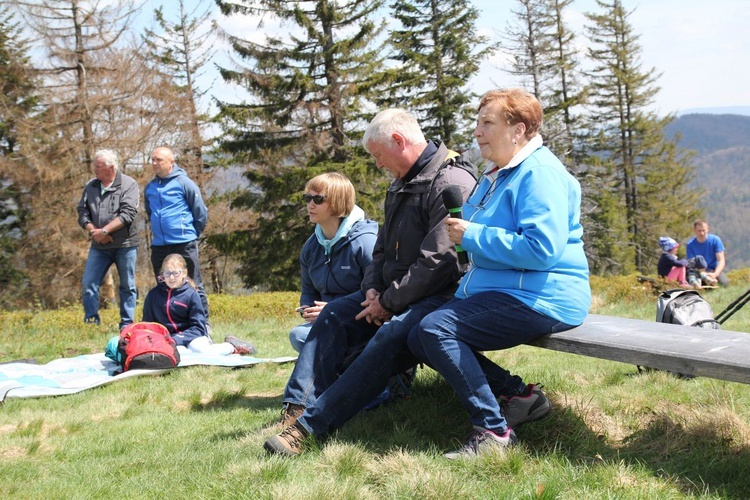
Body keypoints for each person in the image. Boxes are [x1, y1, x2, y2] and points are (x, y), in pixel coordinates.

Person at [263, 108, 477, 456]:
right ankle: (298, 406)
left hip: (439, 297)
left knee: (388, 338)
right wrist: (373, 289)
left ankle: (308, 429)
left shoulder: (450, 181)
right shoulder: (401, 182)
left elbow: (440, 260)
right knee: (333, 316)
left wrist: (388, 303)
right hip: (393, 295)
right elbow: (381, 250)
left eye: (378, 155)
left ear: (398, 141)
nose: (377, 164)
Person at [409, 88, 591, 458]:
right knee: (418, 336)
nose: (477, 132)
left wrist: (473, 235)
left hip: (544, 296)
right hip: (506, 290)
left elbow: (542, 250)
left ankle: (494, 434)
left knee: (435, 329)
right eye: (477, 122)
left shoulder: (539, 175)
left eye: (487, 123)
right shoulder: (499, 174)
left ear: (518, 129)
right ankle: (519, 396)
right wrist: (466, 237)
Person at [290, 173, 378, 353]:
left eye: (318, 199)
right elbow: (308, 291)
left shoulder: (365, 243)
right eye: (307, 198)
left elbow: (378, 294)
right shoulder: (310, 247)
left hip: (365, 324)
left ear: (338, 202)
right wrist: (307, 308)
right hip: (330, 322)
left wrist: (334, 310)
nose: (310, 204)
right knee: (298, 335)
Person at [142, 253, 256, 355]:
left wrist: (178, 339)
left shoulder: (192, 294)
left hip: (193, 337)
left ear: (184, 273)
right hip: (167, 340)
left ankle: (231, 346)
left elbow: (199, 328)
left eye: (176, 273)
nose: (171, 277)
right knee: (176, 353)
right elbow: (148, 325)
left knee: (202, 351)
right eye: (167, 273)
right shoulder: (153, 295)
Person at [77, 149, 139, 330]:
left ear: (111, 167)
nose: (94, 169)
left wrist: (104, 231)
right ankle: (91, 322)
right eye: (94, 165)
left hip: (125, 245)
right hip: (99, 246)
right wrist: (94, 231)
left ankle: (126, 324)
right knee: (89, 283)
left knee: (127, 285)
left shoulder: (129, 184)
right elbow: (82, 212)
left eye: (99, 166)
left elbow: (128, 214)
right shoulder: (91, 186)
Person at [144, 147, 210, 317]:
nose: (154, 163)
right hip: (159, 245)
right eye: (153, 160)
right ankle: (166, 323)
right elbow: (150, 213)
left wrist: (191, 233)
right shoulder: (150, 187)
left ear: (171, 162)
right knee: (163, 284)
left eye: (159, 160)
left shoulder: (184, 183)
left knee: (193, 283)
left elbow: (200, 212)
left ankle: (203, 323)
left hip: (184, 243)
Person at [686, 219, 728, 287]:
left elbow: (721, 260)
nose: (701, 233)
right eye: (699, 231)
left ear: (707, 229)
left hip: (714, 270)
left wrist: (715, 274)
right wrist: (704, 274)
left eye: (703, 230)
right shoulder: (690, 244)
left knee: (724, 284)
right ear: (694, 230)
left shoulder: (715, 240)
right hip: (699, 272)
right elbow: (691, 263)